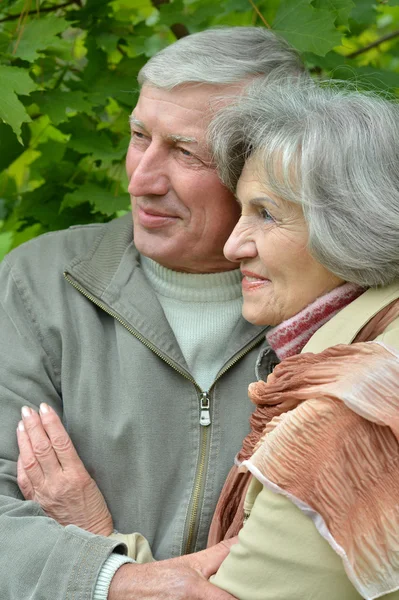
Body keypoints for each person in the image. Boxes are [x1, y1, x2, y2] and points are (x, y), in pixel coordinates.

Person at [19, 78, 399, 599]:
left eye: (265, 213)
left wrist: (98, 541)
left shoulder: (345, 413)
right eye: (137, 135)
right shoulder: (360, 356)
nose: (234, 243)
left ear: (352, 223)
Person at [0, 27, 306, 600]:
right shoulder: (38, 283)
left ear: (265, 168)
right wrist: (113, 580)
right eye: (140, 136)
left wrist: (95, 532)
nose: (141, 179)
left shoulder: (335, 307)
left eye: (186, 152)